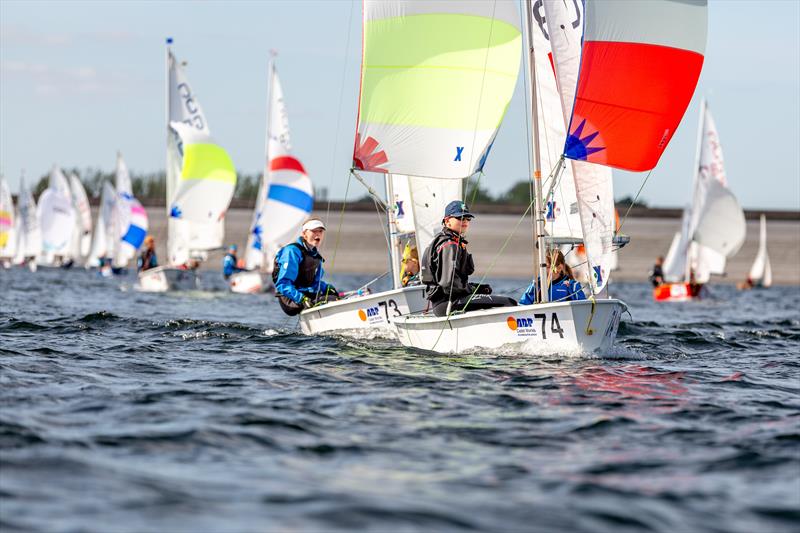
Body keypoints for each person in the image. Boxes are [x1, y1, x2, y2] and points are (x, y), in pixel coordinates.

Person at [421, 201, 513, 317]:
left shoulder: (450, 241)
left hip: (447, 302)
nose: (465, 221)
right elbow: (449, 284)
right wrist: (473, 289)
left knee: (497, 299)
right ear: (447, 221)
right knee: (508, 302)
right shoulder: (449, 245)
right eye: (460, 218)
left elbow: (453, 280)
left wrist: (476, 288)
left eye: (468, 218)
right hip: (448, 304)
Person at [273, 218, 339, 316]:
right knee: (331, 300)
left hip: (305, 293)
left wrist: (326, 288)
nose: (318, 234)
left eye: (320, 231)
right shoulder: (292, 252)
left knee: (333, 296)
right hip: (289, 298)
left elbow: (314, 284)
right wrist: (301, 298)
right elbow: (282, 284)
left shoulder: (316, 256)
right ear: (304, 234)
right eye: (313, 231)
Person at [519, 249, 586, 305]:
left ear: (559, 268)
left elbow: (583, 308)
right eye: (541, 266)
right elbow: (522, 305)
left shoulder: (572, 286)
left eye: (547, 267)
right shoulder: (536, 286)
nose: (543, 270)